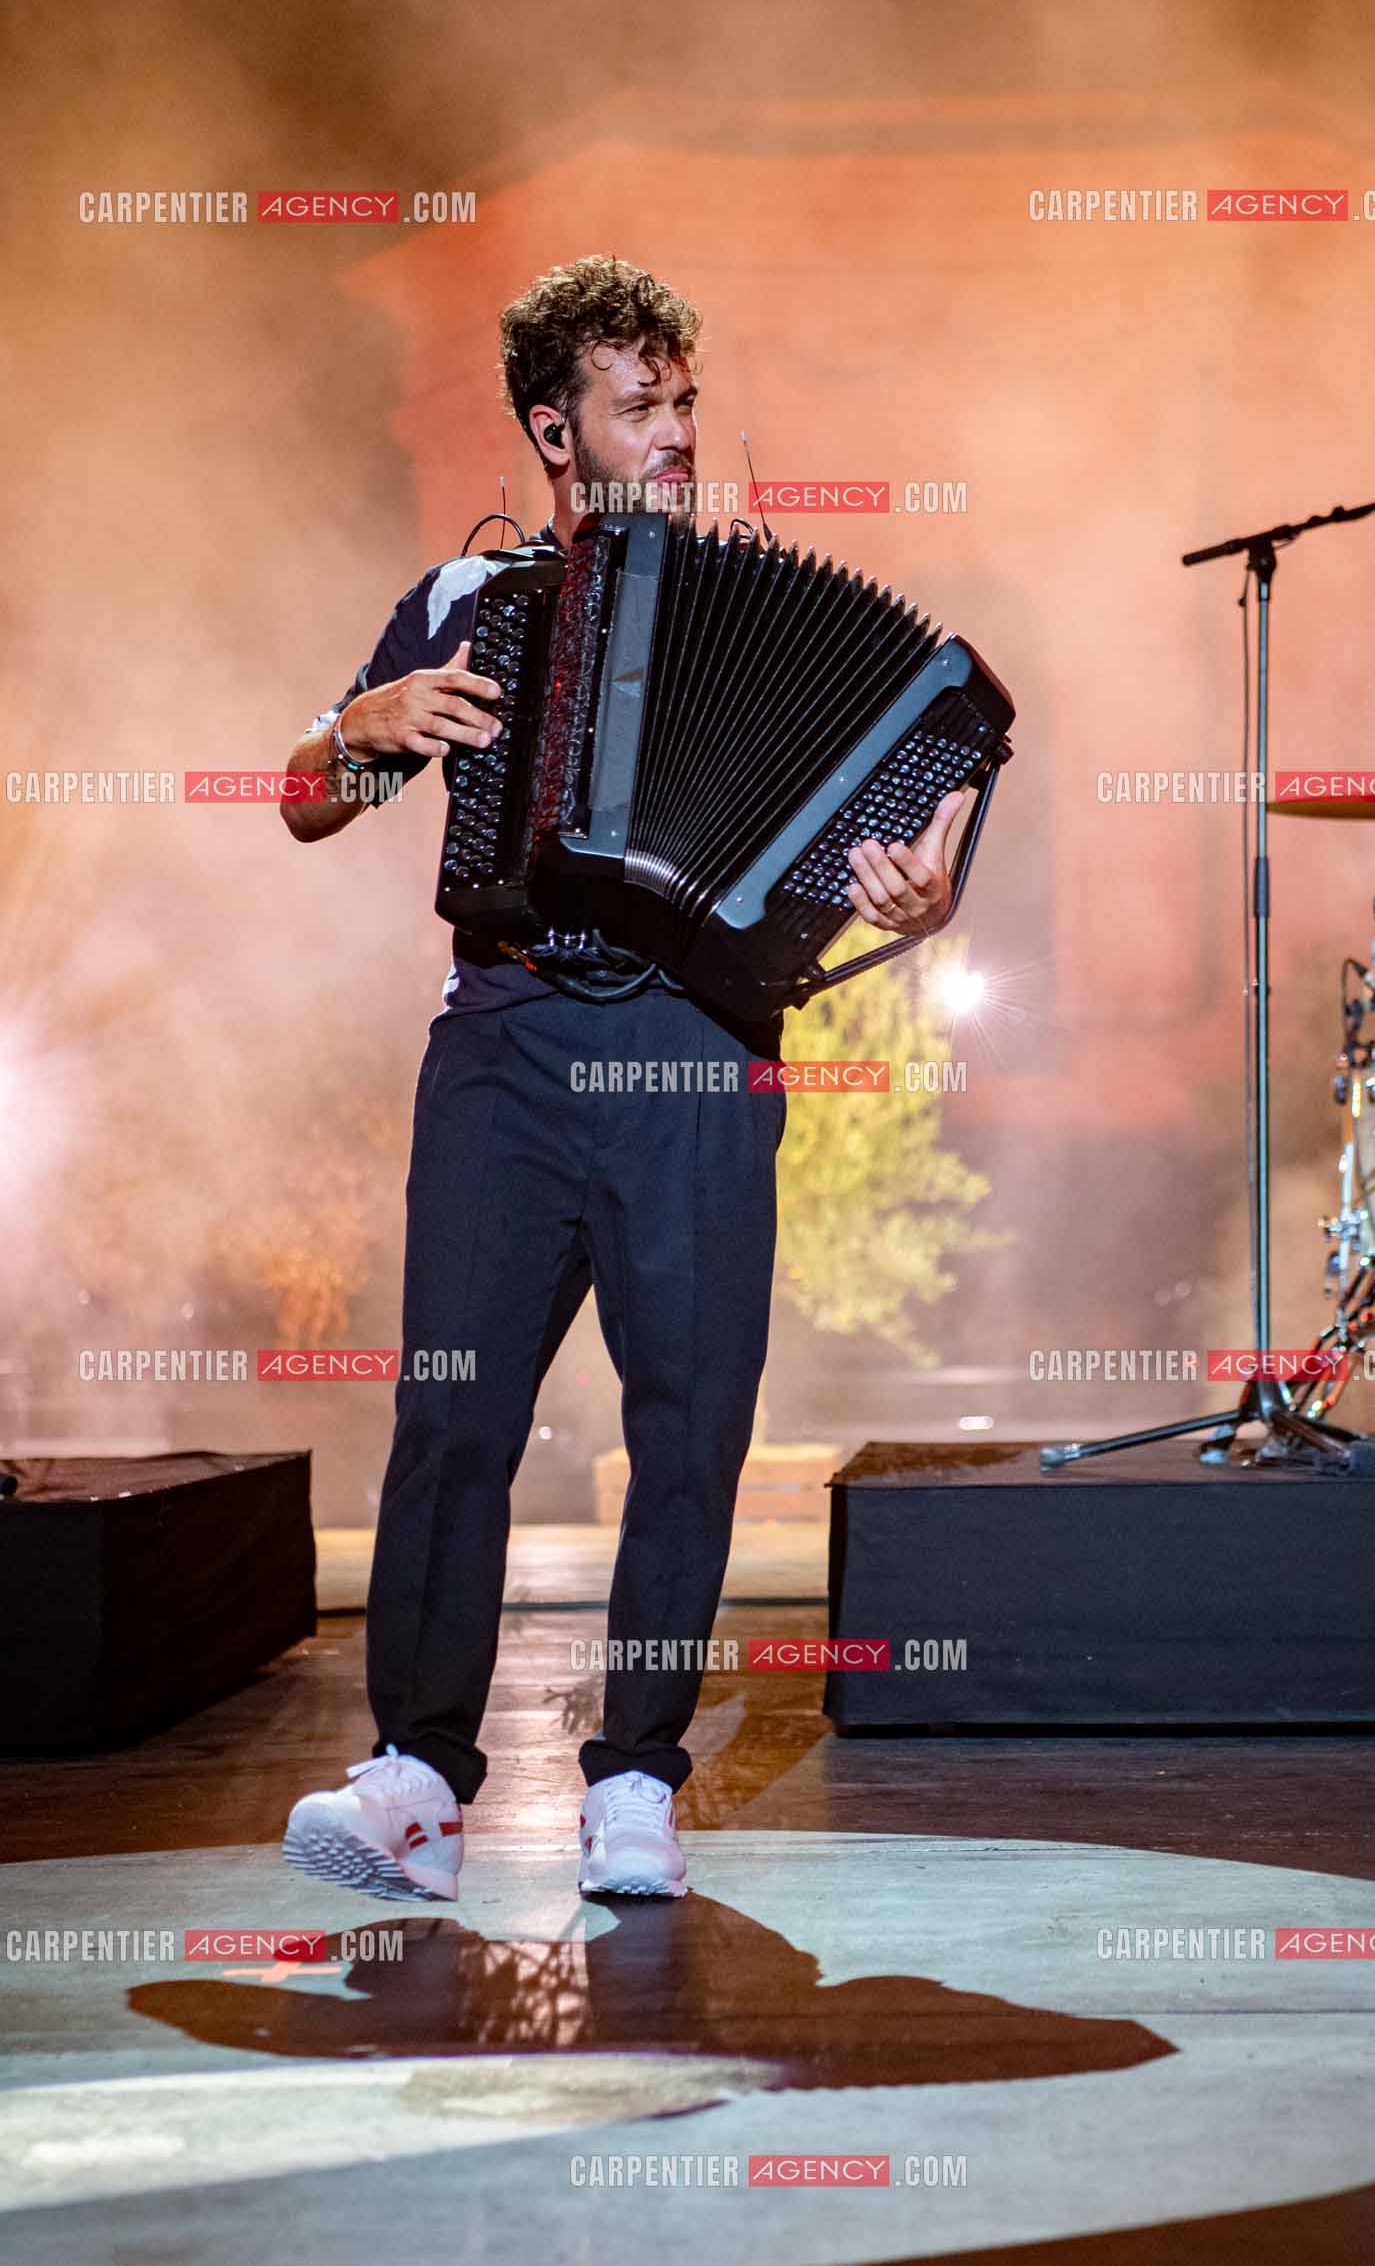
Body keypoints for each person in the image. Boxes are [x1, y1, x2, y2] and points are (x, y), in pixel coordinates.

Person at [279, 255, 969, 1903]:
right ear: (553, 425)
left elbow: (889, 842)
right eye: (638, 405)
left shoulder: (770, 607)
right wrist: (363, 723)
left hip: (700, 1049)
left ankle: (638, 1776)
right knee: (452, 1410)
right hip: (505, 1043)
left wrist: (924, 898)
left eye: (685, 403)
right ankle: (414, 1780)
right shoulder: (459, 606)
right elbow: (306, 798)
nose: (675, 434)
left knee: (689, 1425)